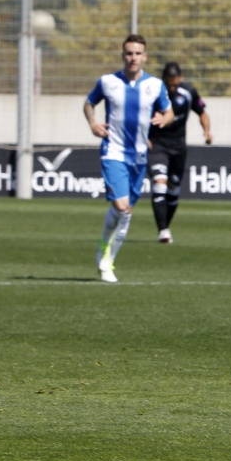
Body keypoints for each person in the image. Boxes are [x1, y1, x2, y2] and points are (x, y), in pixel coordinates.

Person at [83, 34, 174, 283]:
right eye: (129, 53)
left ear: (144, 56)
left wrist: (163, 120)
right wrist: (93, 124)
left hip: (140, 156)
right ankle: (105, 257)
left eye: (137, 53)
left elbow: (169, 112)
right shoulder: (108, 82)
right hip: (113, 152)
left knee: (126, 211)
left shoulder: (155, 85)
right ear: (123, 55)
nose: (133, 58)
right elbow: (89, 104)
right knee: (122, 207)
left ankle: (106, 256)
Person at [148, 62, 212, 244]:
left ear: (181, 78)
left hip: (178, 147)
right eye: (169, 84)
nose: (172, 88)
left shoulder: (189, 92)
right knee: (159, 183)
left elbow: (202, 113)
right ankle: (163, 231)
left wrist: (207, 131)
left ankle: (165, 225)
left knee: (174, 189)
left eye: (175, 84)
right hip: (157, 145)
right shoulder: (153, 93)